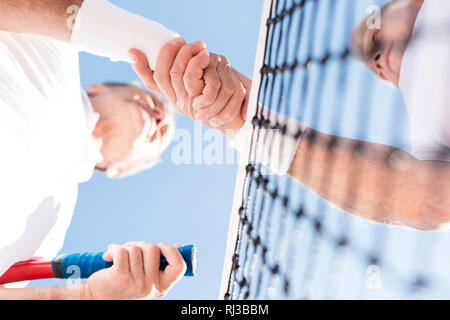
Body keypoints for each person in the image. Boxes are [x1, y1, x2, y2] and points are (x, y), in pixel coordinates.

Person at [132, 0, 449, 231]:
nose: (375, 57)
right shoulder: (427, 125)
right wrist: (254, 128)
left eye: (374, 35)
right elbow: (428, 198)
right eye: (374, 65)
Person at [0, 0, 245, 299]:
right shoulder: (55, 49)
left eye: (161, 135)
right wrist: (160, 47)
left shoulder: (51, 231)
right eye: (152, 101)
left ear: (120, 170)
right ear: (97, 89)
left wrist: (86, 295)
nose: (160, 117)